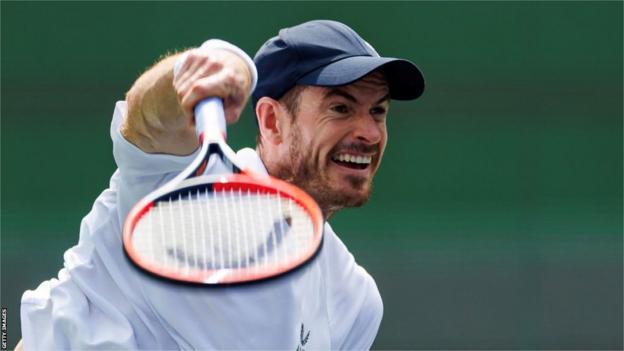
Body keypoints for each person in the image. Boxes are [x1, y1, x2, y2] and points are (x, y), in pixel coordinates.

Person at [18, 19, 424, 350]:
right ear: (270, 122)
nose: (369, 132)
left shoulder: (354, 303)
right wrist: (199, 69)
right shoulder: (190, 182)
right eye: (341, 108)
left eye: (379, 112)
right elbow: (147, 121)